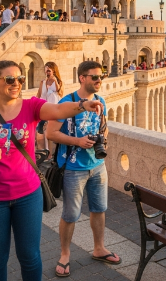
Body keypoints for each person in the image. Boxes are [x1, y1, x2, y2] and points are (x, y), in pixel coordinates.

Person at [0, 60, 101, 281]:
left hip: (27, 195)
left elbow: (58, 109)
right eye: (10, 79)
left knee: (29, 256)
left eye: (19, 79)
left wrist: (83, 105)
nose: (16, 83)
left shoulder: (31, 107)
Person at [45, 60, 120, 277]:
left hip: (98, 166)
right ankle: (65, 255)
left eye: (101, 77)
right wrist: (77, 141)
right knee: (70, 214)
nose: (99, 81)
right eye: (94, 77)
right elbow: (50, 133)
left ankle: (99, 248)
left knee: (99, 209)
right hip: (74, 167)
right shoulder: (67, 102)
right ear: (82, 78)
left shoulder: (100, 101)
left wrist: (102, 140)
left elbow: (103, 128)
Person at [35, 62, 63, 153]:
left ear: (54, 71)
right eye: (46, 70)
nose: (47, 72)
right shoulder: (42, 82)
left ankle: (50, 153)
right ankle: (43, 151)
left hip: (54, 109)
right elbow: (39, 94)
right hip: (44, 108)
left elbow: (60, 93)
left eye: (49, 70)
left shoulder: (58, 82)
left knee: (50, 131)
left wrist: (55, 81)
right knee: (40, 129)